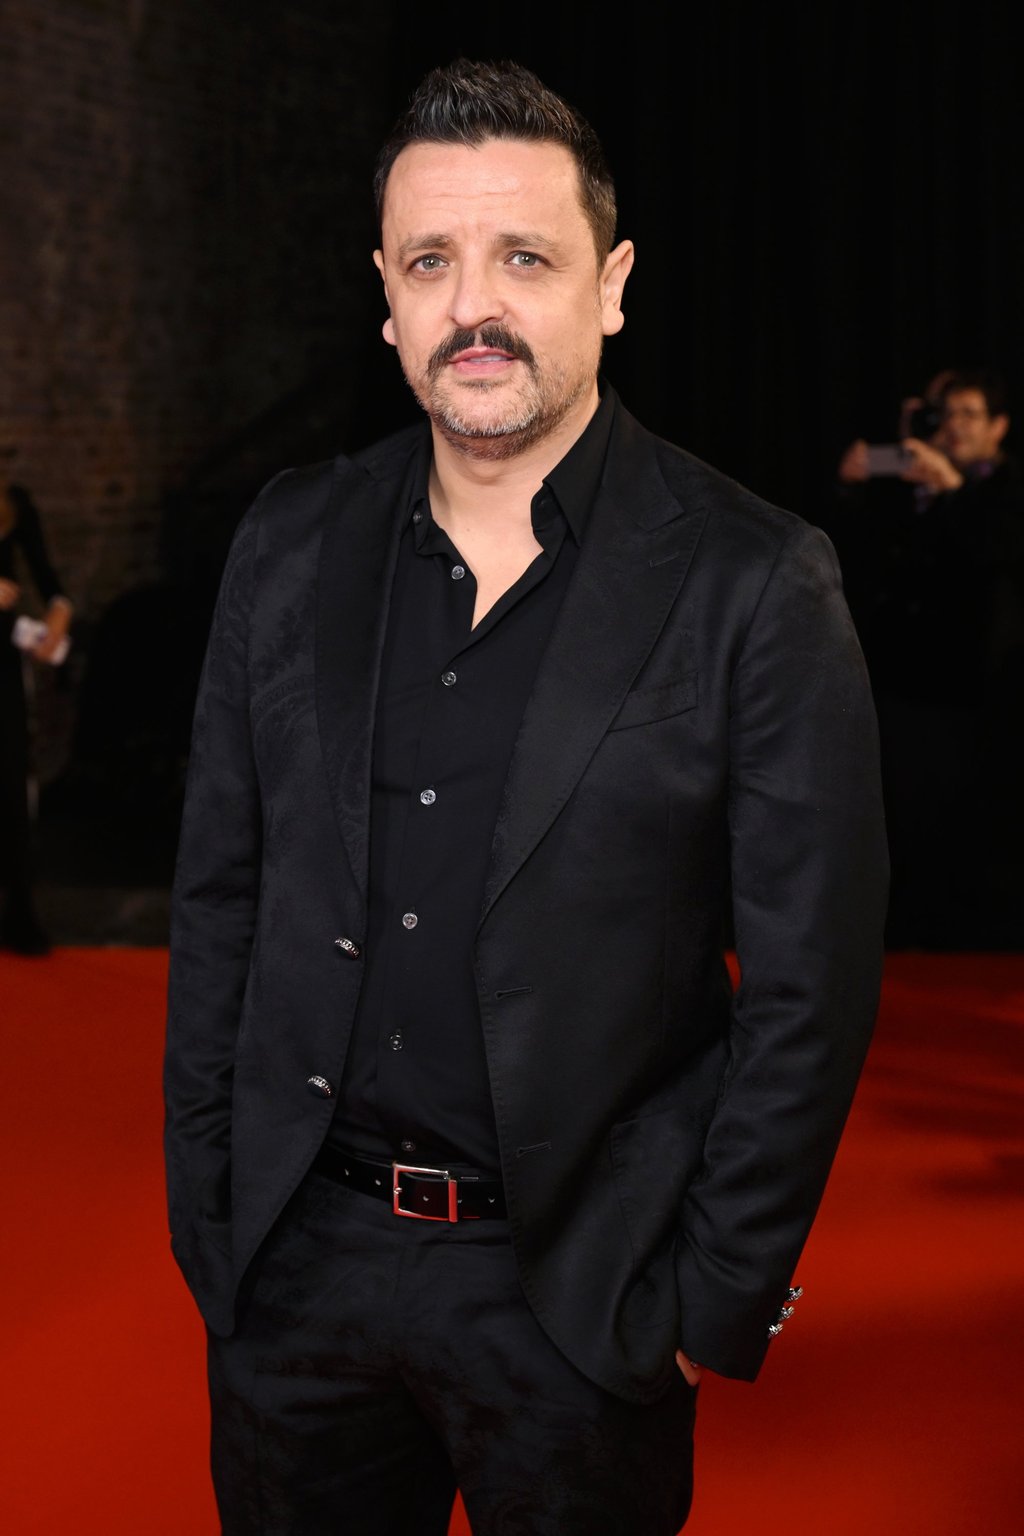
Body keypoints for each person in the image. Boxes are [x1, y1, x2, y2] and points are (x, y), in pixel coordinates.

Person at [163, 58, 889, 1535]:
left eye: (525, 258)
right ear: (385, 294)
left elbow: (812, 979)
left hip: (583, 1291)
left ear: (611, 285)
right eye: (431, 260)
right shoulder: (291, 540)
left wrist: (714, 1292)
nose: (472, 303)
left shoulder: (755, 578)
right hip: (300, 1272)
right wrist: (213, 1213)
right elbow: (221, 893)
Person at [828, 368, 1024, 947]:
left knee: (965, 833)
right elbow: (849, 561)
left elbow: (998, 556)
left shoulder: (1005, 490)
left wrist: (954, 492)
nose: (956, 426)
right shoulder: (904, 485)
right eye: (947, 414)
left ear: (999, 428)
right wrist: (853, 486)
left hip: (981, 698)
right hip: (896, 687)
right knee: (897, 823)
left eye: (970, 414)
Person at [0, 479, 73, 955]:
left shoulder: (15, 502)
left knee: (9, 779)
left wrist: (55, 629)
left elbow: (52, 587)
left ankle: (19, 913)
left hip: (2, 660)